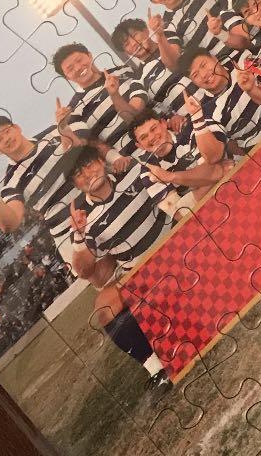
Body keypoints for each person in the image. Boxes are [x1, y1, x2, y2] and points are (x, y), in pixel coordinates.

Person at [60, 146, 171, 386]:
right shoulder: (83, 219)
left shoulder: (132, 171)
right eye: (79, 174)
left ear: (101, 161)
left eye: (89, 164)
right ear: (75, 184)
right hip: (140, 274)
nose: (87, 174)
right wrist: (78, 235)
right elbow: (84, 271)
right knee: (104, 307)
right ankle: (157, 370)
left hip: (174, 246)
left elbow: (171, 199)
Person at [0, 116, 81, 265]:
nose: (6, 139)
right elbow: (10, 224)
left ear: (17, 128)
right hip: (69, 234)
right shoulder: (12, 182)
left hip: (102, 202)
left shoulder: (53, 133)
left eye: (6, 131)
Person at [179, 45, 261, 152]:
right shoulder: (205, 112)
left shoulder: (243, 63)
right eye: (195, 75)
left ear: (214, 58)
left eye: (203, 65)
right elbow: (216, 153)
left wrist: (252, 90)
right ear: (194, 82)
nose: (203, 75)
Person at [136, 0, 250, 64]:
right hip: (225, 65)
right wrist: (160, 36)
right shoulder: (166, 27)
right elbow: (174, 63)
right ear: (153, 1)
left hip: (250, 38)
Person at [52, 43, 147, 156]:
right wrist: (62, 127)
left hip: (157, 134)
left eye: (79, 60)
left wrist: (115, 95)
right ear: (67, 77)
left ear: (90, 56)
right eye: (70, 69)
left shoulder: (123, 71)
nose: (77, 68)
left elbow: (139, 113)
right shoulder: (73, 110)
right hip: (131, 158)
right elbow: (82, 147)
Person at [129, 109, 230, 209]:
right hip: (207, 212)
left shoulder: (190, 129)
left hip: (231, 185)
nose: (151, 137)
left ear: (163, 123)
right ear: (140, 146)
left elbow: (212, 171)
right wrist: (211, 177)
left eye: (153, 129)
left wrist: (170, 177)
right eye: (143, 137)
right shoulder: (148, 170)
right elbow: (179, 213)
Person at [110, 17, 192, 117]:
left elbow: (174, 63)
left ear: (146, 30)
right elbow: (132, 114)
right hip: (189, 117)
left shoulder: (166, 37)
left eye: (135, 35)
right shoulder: (137, 80)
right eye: (127, 44)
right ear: (126, 52)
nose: (134, 43)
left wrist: (160, 36)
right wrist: (114, 94)